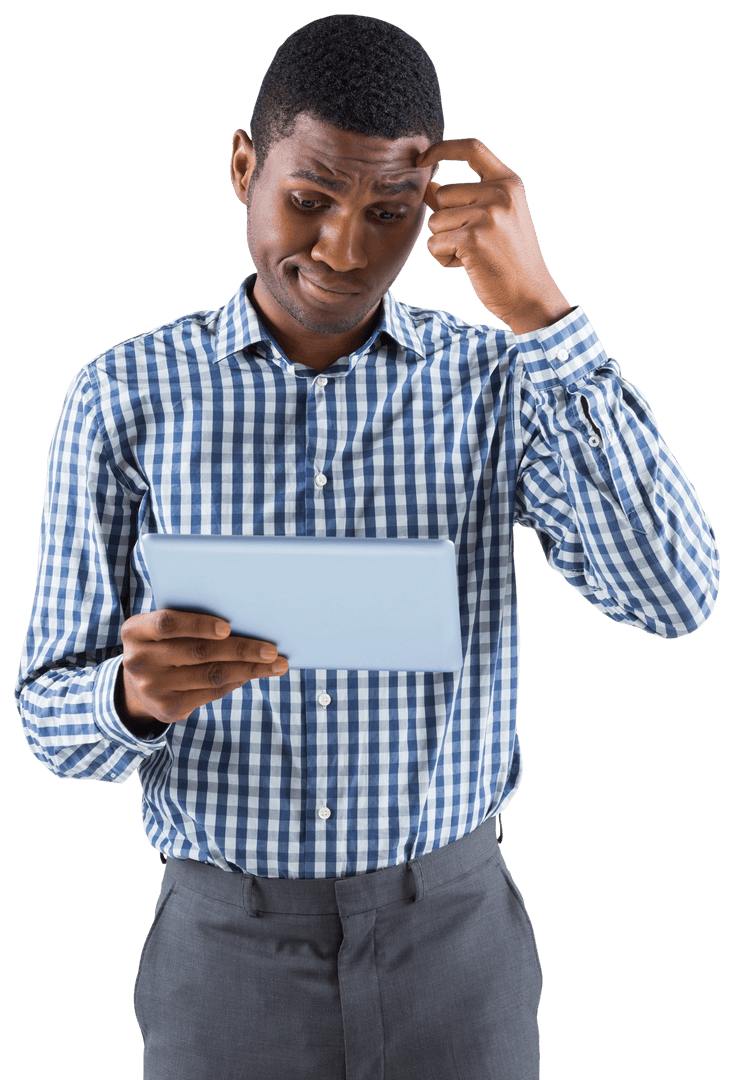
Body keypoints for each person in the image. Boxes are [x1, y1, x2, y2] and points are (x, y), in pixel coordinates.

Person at [15, 13, 719, 1080]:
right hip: (222, 946)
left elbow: (673, 597)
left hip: (455, 937)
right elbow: (46, 720)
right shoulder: (120, 398)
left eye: (388, 211)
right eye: (307, 200)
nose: (344, 251)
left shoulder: (499, 381)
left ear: (431, 208)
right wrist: (128, 697)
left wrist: (541, 316)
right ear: (243, 165)